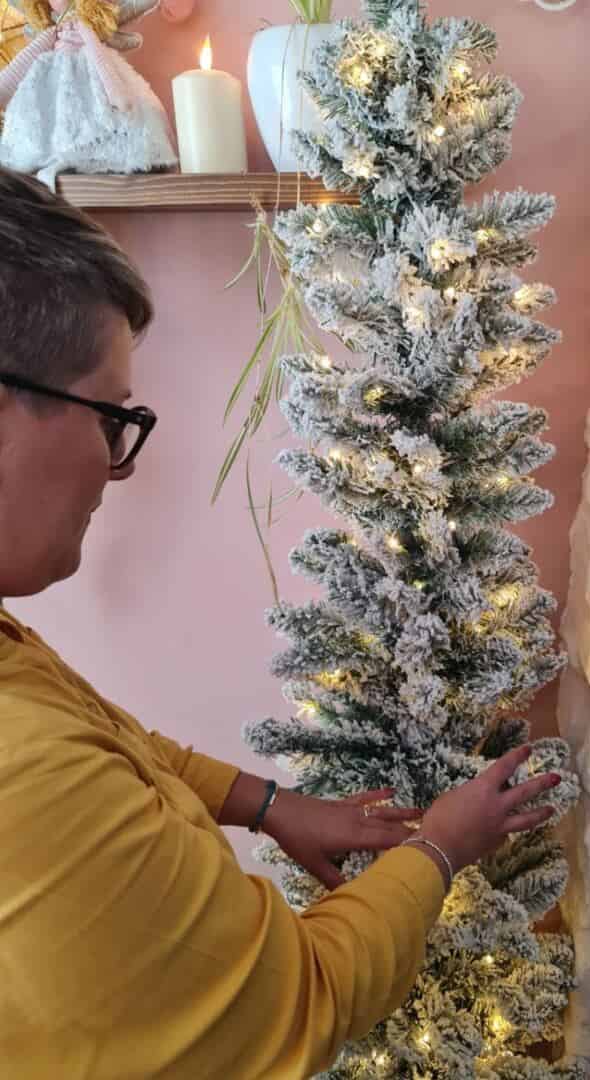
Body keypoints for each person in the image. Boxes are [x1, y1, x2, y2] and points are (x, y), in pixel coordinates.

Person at [0, 166, 561, 1075]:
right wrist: (442, 846)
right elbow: (298, 1002)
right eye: (111, 418)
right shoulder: (24, 777)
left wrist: (267, 806)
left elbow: (109, 737)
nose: (118, 467)